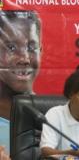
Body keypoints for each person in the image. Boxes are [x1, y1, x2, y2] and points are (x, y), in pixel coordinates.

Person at [0, 10, 42, 157]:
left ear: (41, 51)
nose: (24, 58)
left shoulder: (49, 117)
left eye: (31, 47)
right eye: (11, 47)